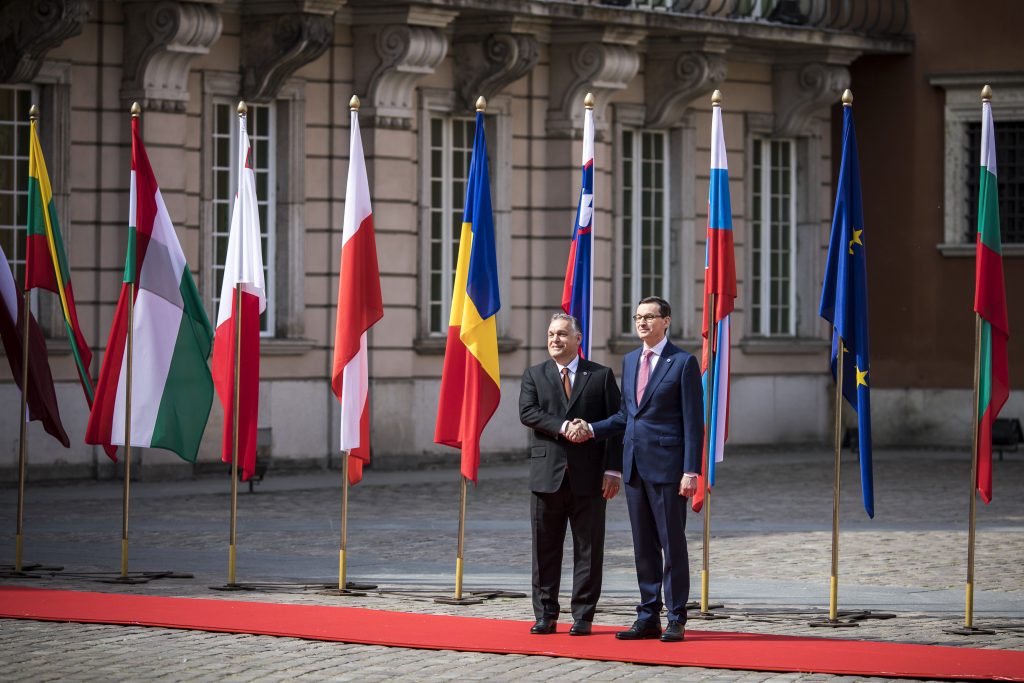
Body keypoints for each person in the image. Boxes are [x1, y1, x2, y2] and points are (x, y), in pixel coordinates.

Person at [568, 296, 703, 642]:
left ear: (666, 321)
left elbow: (693, 422)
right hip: (634, 469)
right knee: (642, 546)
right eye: (638, 317)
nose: (642, 323)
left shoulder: (682, 363)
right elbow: (627, 415)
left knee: (672, 543)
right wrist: (592, 428)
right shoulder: (629, 361)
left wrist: (692, 470)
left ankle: (676, 616)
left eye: (649, 317)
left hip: (669, 468)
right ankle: (648, 615)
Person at [518, 312, 623, 636]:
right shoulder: (534, 375)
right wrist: (565, 427)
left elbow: (618, 422)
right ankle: (546, 614)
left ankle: (583, 615)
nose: (555, 339)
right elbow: (528, 412)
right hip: (547, 476)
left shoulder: (600, 375)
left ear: (578, 339)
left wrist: (612, 470)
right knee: (544, 550)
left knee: (588, 550)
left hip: (589, 477)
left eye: (562, 334)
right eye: (551, 334)